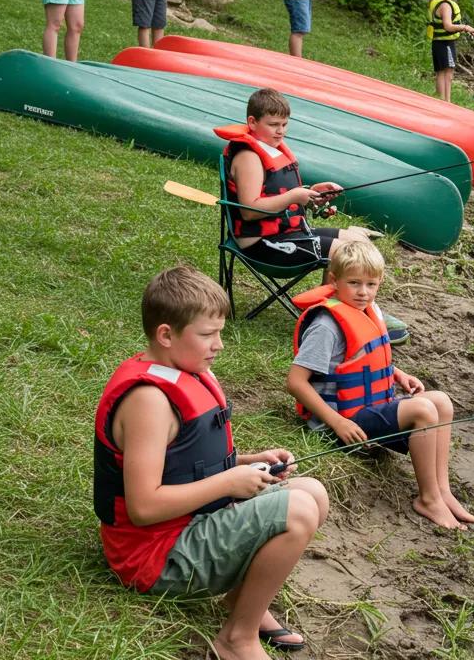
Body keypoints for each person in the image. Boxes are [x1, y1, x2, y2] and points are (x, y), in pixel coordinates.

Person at [94, 265, 329, 659]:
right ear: (166, 335)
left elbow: (185, 460)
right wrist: (227, 484)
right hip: (153, 558)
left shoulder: (186, 372)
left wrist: (249, 462)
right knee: (299, 509)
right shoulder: (149, 401)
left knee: (313, 492)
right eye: (207, 334)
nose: (218, 344)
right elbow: (144, 506)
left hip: (188, 527)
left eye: (219, 332)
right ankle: (236, 640)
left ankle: (242, 604)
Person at [286, 240, 474, 530]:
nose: (363, 292)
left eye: (371, 284)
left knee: (441, 401)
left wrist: (397, 374)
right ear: (334, 281)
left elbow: (361, 358)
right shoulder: (326, 325)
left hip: (367, 409)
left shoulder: (366, 310)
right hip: (341, 424)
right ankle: (427, 499)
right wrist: (337, 423)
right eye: (354, 283)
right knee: (424, 411)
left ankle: (442, 491)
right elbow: (296, 382)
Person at [216, 87, 372, 269]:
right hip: (260, 245)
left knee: (359, 243)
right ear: (252, 122)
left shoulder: (270, 148)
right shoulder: (248, 157)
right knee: (347, 253)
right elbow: (249, 211)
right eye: (273, 125)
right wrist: (294, 196)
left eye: (284, 124)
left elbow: (277, 192)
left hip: (288, 233)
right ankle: (335, 298)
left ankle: (334, 296)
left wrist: (312, 193)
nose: (280, 131)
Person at [426, 0, 474, 102]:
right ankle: (446, 102)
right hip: (446, 44)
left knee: (440, 72)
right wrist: (465, 27)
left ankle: (440, 100)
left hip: (437, 42)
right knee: (448, 73)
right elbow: (448, 26)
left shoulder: (436, 2)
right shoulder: (446, 5)